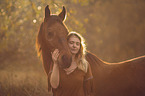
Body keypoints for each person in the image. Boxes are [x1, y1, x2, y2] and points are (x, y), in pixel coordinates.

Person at [48, 31, 93, 96]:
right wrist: (55, 63)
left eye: (77, 44)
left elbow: (88, 91)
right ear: (66, 44)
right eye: (71, 43)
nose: (74, 46)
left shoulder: (85, 65)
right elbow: (54, 85)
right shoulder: (56, 63)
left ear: (80, 47)